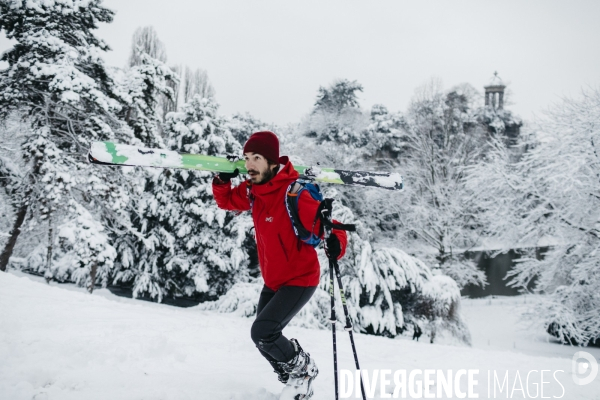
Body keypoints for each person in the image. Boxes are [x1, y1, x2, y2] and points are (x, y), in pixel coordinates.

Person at [212, 131, 347, 398]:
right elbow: (225, 201)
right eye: (247, 158)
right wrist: (222, 181)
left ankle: (303, 371)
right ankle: (295, 379)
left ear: (273, 162)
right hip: (274, 281)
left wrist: (336, 243)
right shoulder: (254, 191)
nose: (249, 164)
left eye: (257, 158)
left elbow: (330, 224)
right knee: (261, 339)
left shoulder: (293, 192)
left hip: (300, 279)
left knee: (264, 332)